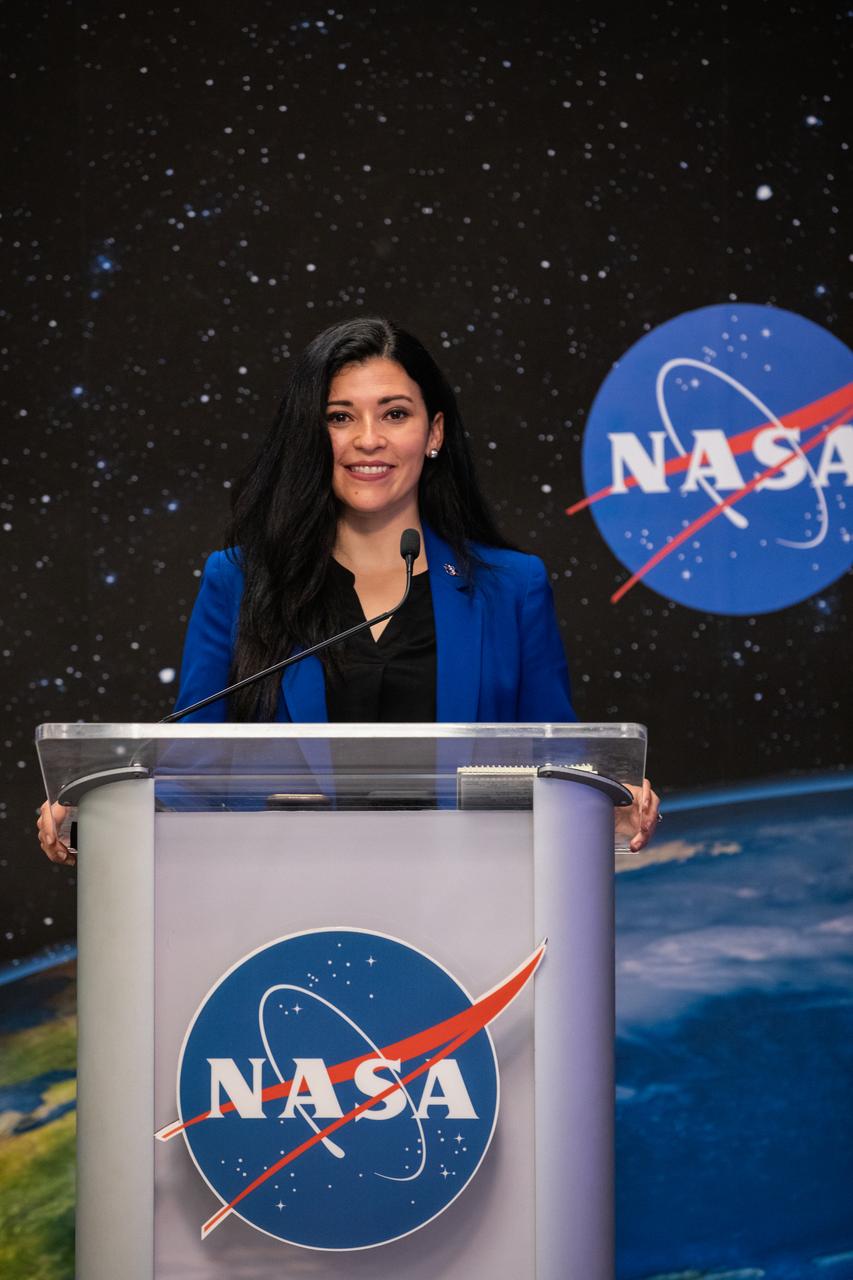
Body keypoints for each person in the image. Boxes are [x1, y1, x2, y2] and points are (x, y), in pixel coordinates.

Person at [38, 317, 659, 861]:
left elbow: (560, 768)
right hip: (284, 911)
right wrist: (103, 808)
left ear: (434, 432)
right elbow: (190, 778)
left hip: (471, 911)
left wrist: (607, 801)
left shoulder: (512, 588)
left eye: (395, 413)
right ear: (312, 434)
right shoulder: (240, 582)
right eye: (340, 417)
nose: (368, 439)